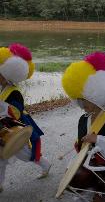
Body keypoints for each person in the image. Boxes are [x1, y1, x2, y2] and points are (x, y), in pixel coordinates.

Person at [62, 52, 105, 201]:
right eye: (79, 99)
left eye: (84, 100)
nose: (81, 103)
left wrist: (98, 139)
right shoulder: (82, 119)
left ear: (96, 97)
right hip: (88, 169)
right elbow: (79, 146)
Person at [0, 43, 51, 193]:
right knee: (1, 156)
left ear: (7, 74)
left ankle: (45, 164)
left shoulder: (15, 92)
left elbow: (16, 112)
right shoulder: (3, 88)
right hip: (3, 128)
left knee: (25, 154)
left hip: (15, 127)